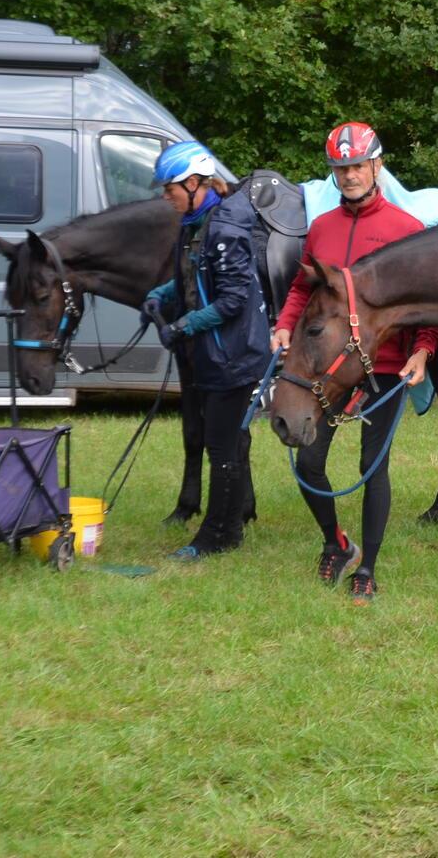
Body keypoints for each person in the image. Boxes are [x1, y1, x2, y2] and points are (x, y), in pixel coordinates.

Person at [271, 122, 438, 605]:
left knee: (373, 464)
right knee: (308, 458)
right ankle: (337, 544)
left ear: (376, 166)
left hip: (384, 364)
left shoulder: (406, 231)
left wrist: (424, 348)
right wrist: (285, 323)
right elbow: (304, 286)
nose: (349, 175)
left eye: (357, 166)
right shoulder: (321, 228)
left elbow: (427, 301)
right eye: (340, 168)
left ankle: (368, 568)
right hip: (328, 366)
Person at [140, 140, 271, 561]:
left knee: (221, 447)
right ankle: (228, 531)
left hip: (233, 355)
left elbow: (233, 300)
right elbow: (192, 278)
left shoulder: (225, 229)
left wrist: (184, 325)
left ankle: (216, 535)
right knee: (224, 444)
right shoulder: (195, 223)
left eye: (169, 189)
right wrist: (159, 296)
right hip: (213, 353)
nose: (166, 197)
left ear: (195, 183)